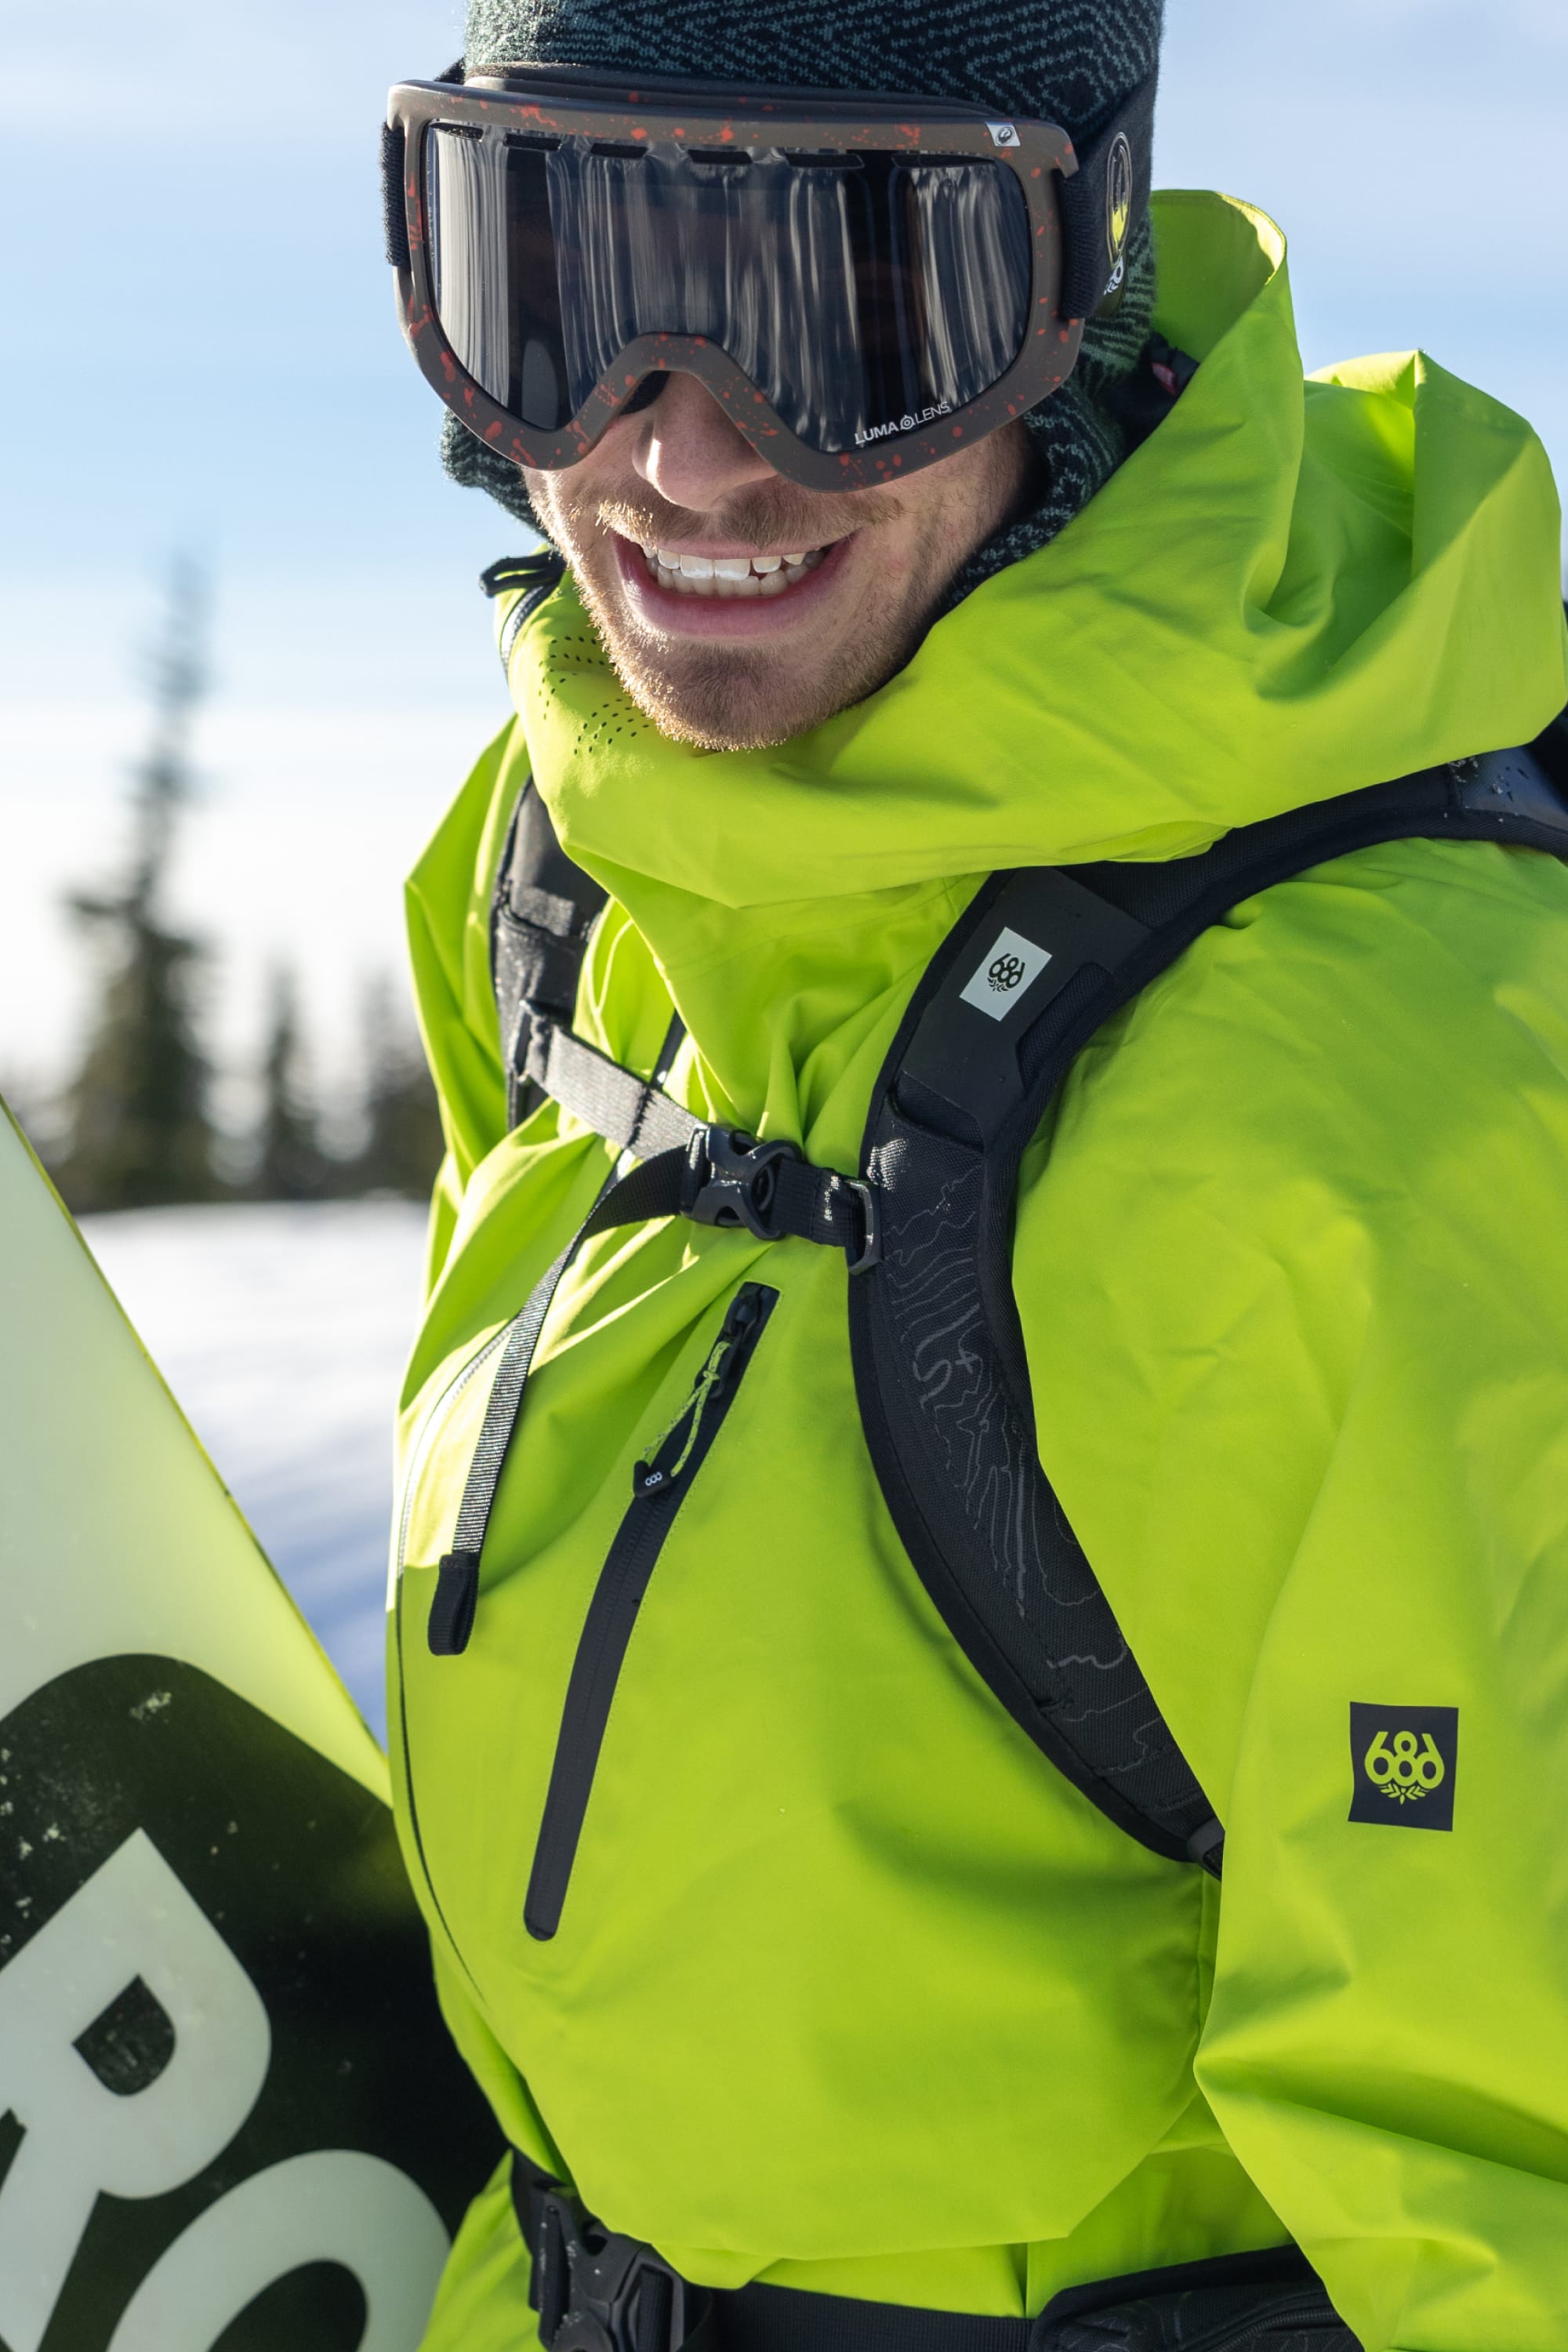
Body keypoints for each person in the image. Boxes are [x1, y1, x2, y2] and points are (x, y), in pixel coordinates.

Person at [383, 5, 1568, 2350]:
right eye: (560, 284)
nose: (684, 455)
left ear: (1075, 290)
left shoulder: (1374, 1092)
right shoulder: (569, 873)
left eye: (847, 306)